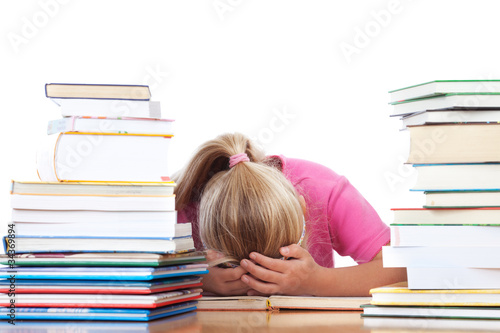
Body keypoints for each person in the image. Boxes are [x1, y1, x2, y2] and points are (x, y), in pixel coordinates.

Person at [174, 133, 406, 296]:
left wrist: (316, 281)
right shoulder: (179, 205)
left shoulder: (322, 190)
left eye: (283, 261)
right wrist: (194, 278)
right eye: (232, 266)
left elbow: (403, 267)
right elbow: (138, 274)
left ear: (303, 210)